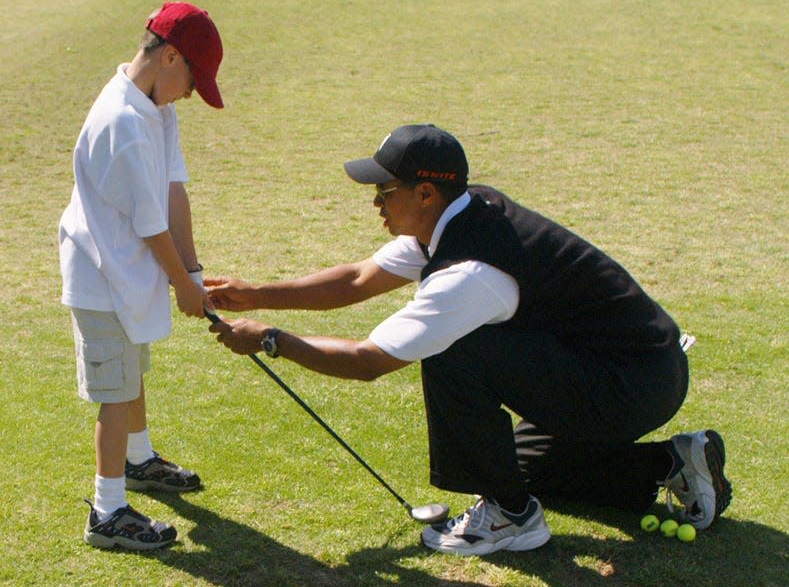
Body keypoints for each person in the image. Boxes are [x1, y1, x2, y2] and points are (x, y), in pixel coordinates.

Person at [205, 124, 732, 556]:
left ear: (426, 193)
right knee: (522, 465)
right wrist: (252, 295)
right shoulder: (460, 215)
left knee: (455, 349)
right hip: (628, 370)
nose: (375, 204)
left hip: (630, 385)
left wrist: (272, 339)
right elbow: (357, 280)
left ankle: (512, 517)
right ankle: (672, 462)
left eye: (383, 192)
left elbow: (369, 361)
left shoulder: (472, 272)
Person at [59, 2, 224, 550]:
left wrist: (194, 271)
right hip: (101, 274)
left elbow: (175, 192)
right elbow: (153, 228)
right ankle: (107, 513)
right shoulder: (122, 121)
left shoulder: (158, 109)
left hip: (129, 272)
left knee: (132, 373)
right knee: (115, 390)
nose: (191, 93)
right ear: (169, 55)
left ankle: (139, 459)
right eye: (193, 79)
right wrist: (183, 286)